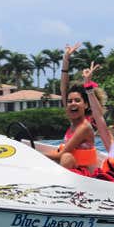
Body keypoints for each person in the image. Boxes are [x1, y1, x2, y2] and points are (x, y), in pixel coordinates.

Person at [40, 43, 99, 173]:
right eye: (69, 101)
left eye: (77, 101)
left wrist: (35, 155)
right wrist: (65, 60)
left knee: (66, 156)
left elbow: (62, 155)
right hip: (72, 172)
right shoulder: (73, 123)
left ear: (86, 104)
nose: (72, 103)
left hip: (85, 177)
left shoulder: (84, 127)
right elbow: (63, 88)